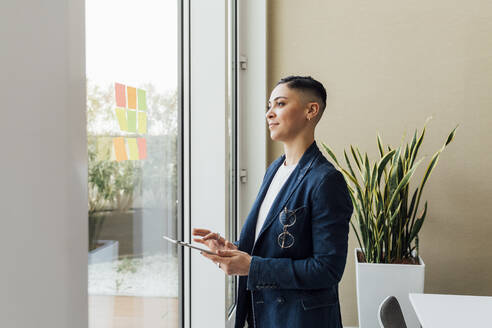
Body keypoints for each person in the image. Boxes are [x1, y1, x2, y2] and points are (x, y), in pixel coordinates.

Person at [192, 75, 353, 328]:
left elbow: (327, 269)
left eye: (279, 104)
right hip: (262, 316)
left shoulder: (326, 181)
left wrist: (252, 267)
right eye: (269, 106)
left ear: (311, 110)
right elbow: (272, 245)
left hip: (299, 320)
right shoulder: (275, 169)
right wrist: (230, 249)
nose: (269, 113)